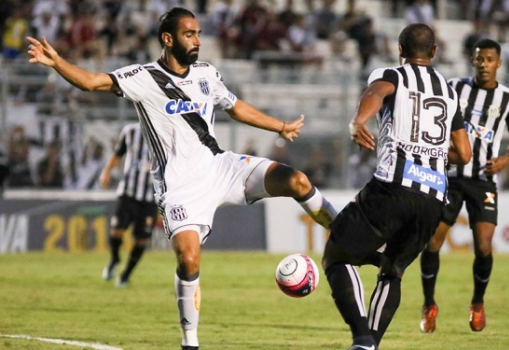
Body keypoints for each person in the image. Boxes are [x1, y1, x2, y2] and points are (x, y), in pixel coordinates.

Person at [27, 7, 337, 350]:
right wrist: (57, 63)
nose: (197, 41)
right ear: (168, 39)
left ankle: (345, 235)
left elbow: (235, 107)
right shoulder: (142, 77)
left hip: (221, 167)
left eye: (199, 34)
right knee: (188, 258)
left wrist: (280, 126)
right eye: (190, 34)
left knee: (297, 181)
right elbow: (91, 82)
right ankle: (190, 342)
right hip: (180, 188)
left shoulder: (207, 73)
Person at [322, 23, 472, 350]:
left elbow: (376, 93)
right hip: (433, 199)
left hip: (393, 188)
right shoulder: (449, 92)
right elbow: (464, 153)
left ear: (400, 50)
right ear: (434, 52)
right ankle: (370, 345)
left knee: (336, 255)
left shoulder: (393, 74)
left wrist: (358, 122)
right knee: (393, 271)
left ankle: (361, 337)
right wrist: (429, 153)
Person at [418, 38, 509, 334]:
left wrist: (505, 160)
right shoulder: (455, 88)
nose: (483, 64)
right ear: (473, 60)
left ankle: (477, 302)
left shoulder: (508, 99)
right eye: (479, 59)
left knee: (483, 246)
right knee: (433, 242)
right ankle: (429, 304)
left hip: (483, 180)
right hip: (450, 177)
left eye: (489, 59)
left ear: (498, 63)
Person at [100, 123, 158, 288]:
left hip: (150, 197)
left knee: (141, 240)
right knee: (116, 230)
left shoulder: (166, 130)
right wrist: (106, 172)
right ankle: (114, 259)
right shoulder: (130, 131)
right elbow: (118, 154)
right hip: (128, 192)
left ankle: (126, 275)